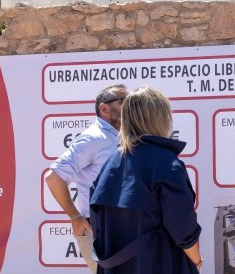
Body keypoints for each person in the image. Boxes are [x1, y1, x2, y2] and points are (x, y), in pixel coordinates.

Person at [89, 86, 202, 273]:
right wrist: (196, 260)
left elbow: (98, 223)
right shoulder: (166, 162)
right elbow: (183, 228)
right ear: (160, 118)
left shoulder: (112, 161)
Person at [44, 84, 129, 272]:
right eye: (123, 102)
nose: (130, 106)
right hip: (97, 228)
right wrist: (74, 217)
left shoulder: (122, 137)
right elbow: (54, 176)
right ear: (104, 108)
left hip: (121, 227)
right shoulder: (92, 138)